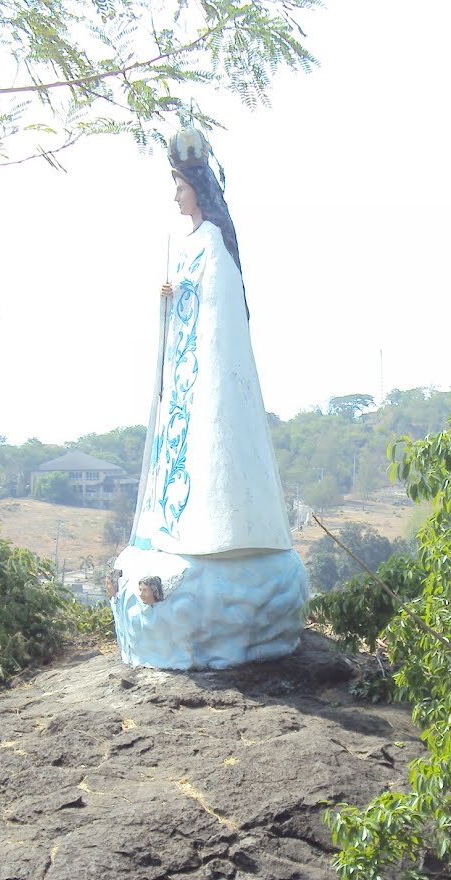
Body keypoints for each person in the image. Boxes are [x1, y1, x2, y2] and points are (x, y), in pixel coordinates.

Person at [109, 128, 308, 670]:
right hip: (184, 379)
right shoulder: (190, 243)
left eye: (180, 186)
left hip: (209, 373)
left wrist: (186, 298)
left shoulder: (214, 242)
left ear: (197, 188)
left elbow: (221, 310)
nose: (176, 196)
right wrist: (169, 303)